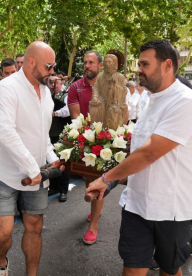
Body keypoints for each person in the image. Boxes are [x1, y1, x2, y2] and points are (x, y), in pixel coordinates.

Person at [87, 39, 192, 276]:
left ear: (167, 65)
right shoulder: (149, 98)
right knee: (131, 270)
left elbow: (150, 153)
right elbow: (141, 153)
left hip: (171, 208)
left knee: (169, 270)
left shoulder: (186, 101)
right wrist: (121, 179)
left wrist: (107, 178)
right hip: (137, 205)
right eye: (139, 64)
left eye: (144, 64)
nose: (138, 69)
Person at [0, 41, 58, 276]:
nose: (52, 71)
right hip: (4, 173)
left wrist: (53, 159)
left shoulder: (46, 92)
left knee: (35, 228)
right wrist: (32, 169)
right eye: (49, 66)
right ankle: (1, 264)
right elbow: (5, 132)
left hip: (37, 173)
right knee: (1, 234)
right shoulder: (7, 88)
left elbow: (42, 135)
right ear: (30, 62)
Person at [67, 51, 105, 245]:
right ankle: (95, 209)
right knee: (88, 178)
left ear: (100, 66)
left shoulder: (109, 87)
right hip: (84, 137)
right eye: (85, 62)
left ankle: (93, 226)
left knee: (97, 180)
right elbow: (76, 118)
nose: (87, 65)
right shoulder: (75, 87)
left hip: (106, 140)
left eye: (91, 62)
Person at [48, 76, 70, 202]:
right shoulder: (46, 95)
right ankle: (53, 187)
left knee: (63, 161)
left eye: (55, 82)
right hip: (49, 133)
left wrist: (55, 113)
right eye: (50, 82)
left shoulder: (65, 95)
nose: (53, 84)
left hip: (62, 133)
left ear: (61, 83)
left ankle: (63, 190)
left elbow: (67, 111)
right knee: (52, 161)